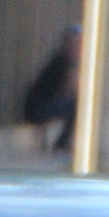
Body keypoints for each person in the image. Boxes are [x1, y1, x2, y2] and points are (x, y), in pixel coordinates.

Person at [23, 24, 78, 154]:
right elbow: (72, 85)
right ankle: (61, 144)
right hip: (38, 109)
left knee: (74, 105)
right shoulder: (62, 61)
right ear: (67, 43)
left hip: (44, 104)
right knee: (77, 107)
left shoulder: (64, 59)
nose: (78, 46)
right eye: (75, 42)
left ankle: (64, 143)